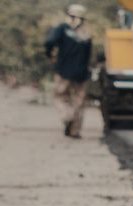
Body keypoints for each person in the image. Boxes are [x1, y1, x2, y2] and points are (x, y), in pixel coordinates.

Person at [45, 4, 93, 138]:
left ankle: (67, 116)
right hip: (81, 74)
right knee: (79, 102)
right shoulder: (86, 35)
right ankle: (74, 131)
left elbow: (49, 42)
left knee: (60, 96)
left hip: (63, 71)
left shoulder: (62, 28)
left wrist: (50, 54)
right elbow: (88, 56)